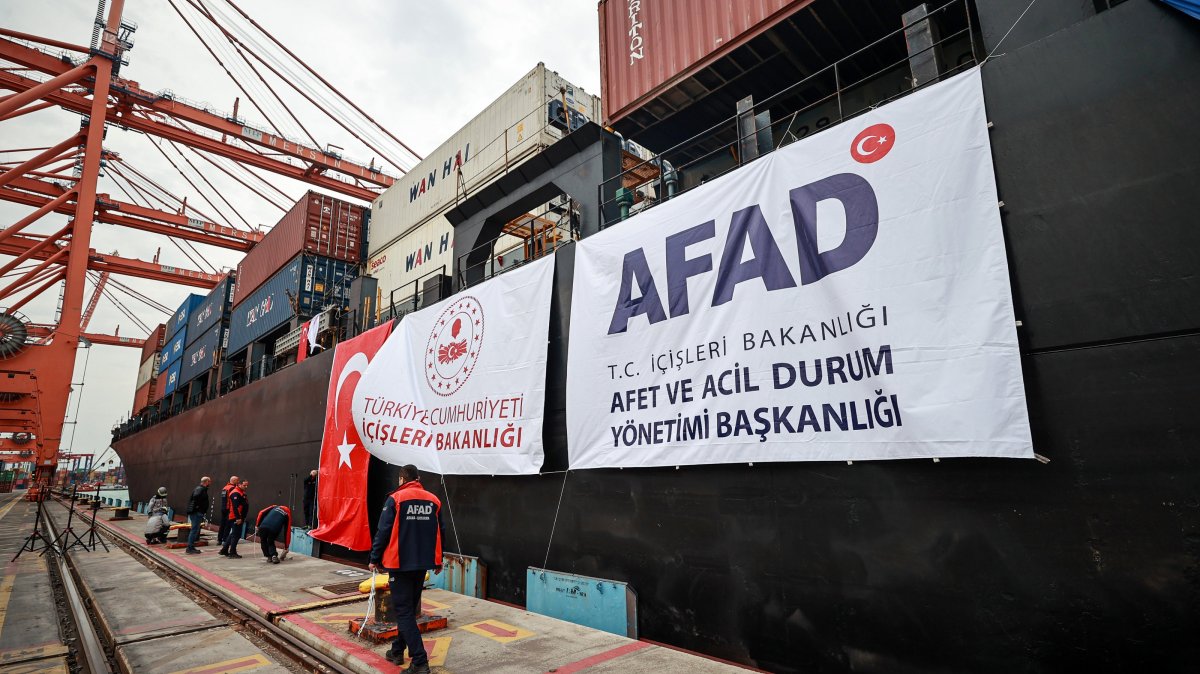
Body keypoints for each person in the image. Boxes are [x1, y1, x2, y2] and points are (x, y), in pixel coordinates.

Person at [369, 465, 445, 674]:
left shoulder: (395, 499)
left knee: (403, 612)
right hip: (422, 564)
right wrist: (438, 560)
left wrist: (374, 558)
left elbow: (383, 531)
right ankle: (397, 650)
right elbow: (441, 531)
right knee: (408, 610)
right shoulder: (434, 500)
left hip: (399, 564)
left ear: (402, 479)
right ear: (418, 479)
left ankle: (419, 661)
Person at [219, 479, 247, 558]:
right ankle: (232, 552)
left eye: (247, 485)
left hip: (238, 517)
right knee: (236, 535)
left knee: (233, 534)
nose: (246, 487)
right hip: (235, 517)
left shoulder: (240, 492)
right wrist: (238, 518)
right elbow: (235, 507)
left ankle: (224, 550)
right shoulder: (235, 493)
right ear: (239, 484)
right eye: (244, 485)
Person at [185, 476, 211, 554]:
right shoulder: (200, 489)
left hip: (197, 512)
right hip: (196, 513)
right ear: (206, 482)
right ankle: (190, 548)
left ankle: (191, 547)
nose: (210, 483)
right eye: (209, 481)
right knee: (194, 530)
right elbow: (196, 497)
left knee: (195, 530)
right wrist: (198, 507)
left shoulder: (201, 489)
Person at [217, 475, 239, 547]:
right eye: (237, 480)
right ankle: (225, 540)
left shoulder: (225, 488)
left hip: (223, 508)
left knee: (222, 524)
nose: (238, 482)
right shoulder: (232, 488)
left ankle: (219, 539)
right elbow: (232, 499)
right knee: (227, 525)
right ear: (234, 481)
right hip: (228, 509)